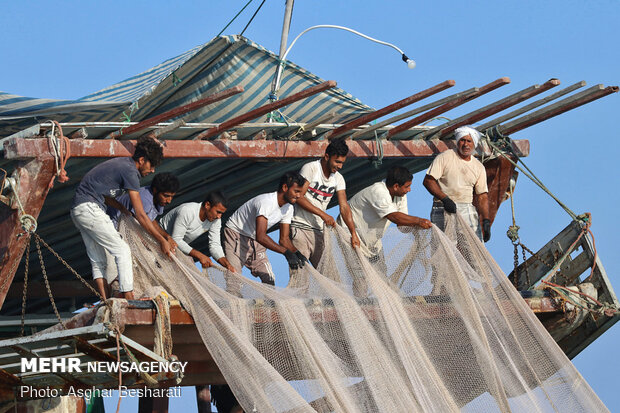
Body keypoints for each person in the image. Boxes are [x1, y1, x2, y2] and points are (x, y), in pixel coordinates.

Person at [70, 136, 174, 300]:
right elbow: (141, 214)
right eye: (151, 165)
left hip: (78, 209)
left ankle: (105, 301)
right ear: (141, 160)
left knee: (98, 260)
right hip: (90, 208)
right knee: (122, 250)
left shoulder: (122, 164)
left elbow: (102, 193)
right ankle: (129, 298)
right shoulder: (131, 171)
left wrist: (122, 208)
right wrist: (161, 240)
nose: (152, 170)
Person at [341, 165, 432, 270]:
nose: (409, 190)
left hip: (373, 244)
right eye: (407, 186)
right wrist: (419, 221)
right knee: (359, 278)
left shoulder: (401, 195)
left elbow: (401, 224)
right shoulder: (378, 191)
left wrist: (417, 231)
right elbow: (393, 216)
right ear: (396, 186)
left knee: (381, 274)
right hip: (352, 237)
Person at [224, 171, 307, 285]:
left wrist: (296, 253)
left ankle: (269, 303)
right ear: (284, 187)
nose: (299, 196)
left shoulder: (289, 208)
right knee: (234, 280)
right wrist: (286, 253)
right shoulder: (266, 202)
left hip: (255, 241)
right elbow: (261, 236)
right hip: (236, 235)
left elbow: (284, 240)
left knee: (269, 280)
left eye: (300, 192)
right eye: (296, 191)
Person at [290, 138, 359, 267]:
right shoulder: (311, 169)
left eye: (342, 163)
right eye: (337, 162)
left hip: (320, 232)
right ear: (327, 156)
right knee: (300, 276)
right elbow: (298, 197)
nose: (340, 166)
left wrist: (353, 233)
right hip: (300, 227)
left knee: (328, 275)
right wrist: (323, 214)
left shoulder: (338, 178)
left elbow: (344, 207)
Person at [422, 125, 490, 242]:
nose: (465, 144)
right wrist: (445, 199)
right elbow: (428, 181)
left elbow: (482, 196)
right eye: (462, 140)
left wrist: (486, 221)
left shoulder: (478, 167)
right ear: (458, 141)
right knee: (444, 248)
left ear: (474, 143)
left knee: (473, 247)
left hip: (466, 209)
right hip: (442, 207)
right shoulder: (445, 157)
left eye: (469, 141)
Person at [159, 191, 236, 272]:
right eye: (218, 212)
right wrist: (199, 255)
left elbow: (215, 245)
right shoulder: (187, 211)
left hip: (176, 248)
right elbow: (176, 239)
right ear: (207, 205)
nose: (219, 216)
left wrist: (227, 265)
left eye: (222, 213)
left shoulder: (216, 220)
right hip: (159, 238)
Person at [107, 172, 180, 229]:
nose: (169, 201)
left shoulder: (159, 199)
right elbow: (136, 224)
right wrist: (162, 241)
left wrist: (167, 237)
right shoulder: (145, 200)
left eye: (171, 197)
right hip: (111, 223)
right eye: (166, 196)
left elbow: (150, 220)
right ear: (155, 190)